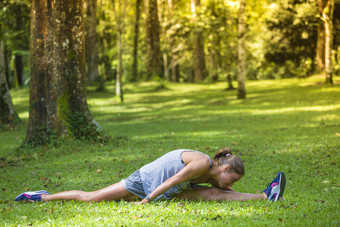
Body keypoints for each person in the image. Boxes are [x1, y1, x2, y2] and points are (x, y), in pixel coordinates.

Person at [15, 148, 286, 203]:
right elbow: (169, 181)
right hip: (143, 182)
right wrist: (146, 202)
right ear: (225, 167)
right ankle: (42, 197)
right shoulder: (202, 163)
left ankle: (266, 195)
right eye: (233, 179)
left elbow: (223, 191)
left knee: (216, 194)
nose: (232, 184)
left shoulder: (211, 176)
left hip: (161, 189)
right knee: (91, 199)